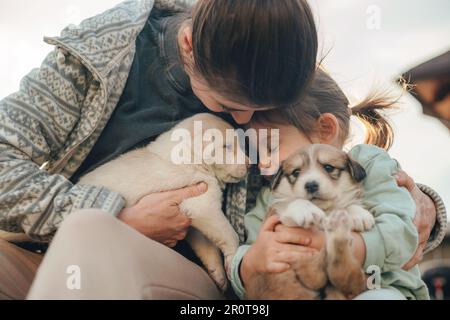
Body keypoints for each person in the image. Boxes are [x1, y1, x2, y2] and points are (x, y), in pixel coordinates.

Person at [0, 0, 442, 299]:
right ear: (189, 45)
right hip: (45, 247)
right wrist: (116, 213)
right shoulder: (102, 52)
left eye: (260, 111)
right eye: (230, 107)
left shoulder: (267, 62)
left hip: (190, 279)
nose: (247, 126)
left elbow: (328, 144)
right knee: (84, 235)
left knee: (88, 238)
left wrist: (422, 203)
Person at [230, 69, 447, 300]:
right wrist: (247, 264)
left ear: (325, 129)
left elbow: (404, 233)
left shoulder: (371, 164)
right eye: (258, 151)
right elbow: (249, 245)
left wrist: (339, 245)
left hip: (381, 288)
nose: (264, 161)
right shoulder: (274, 193)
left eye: (272, 147)